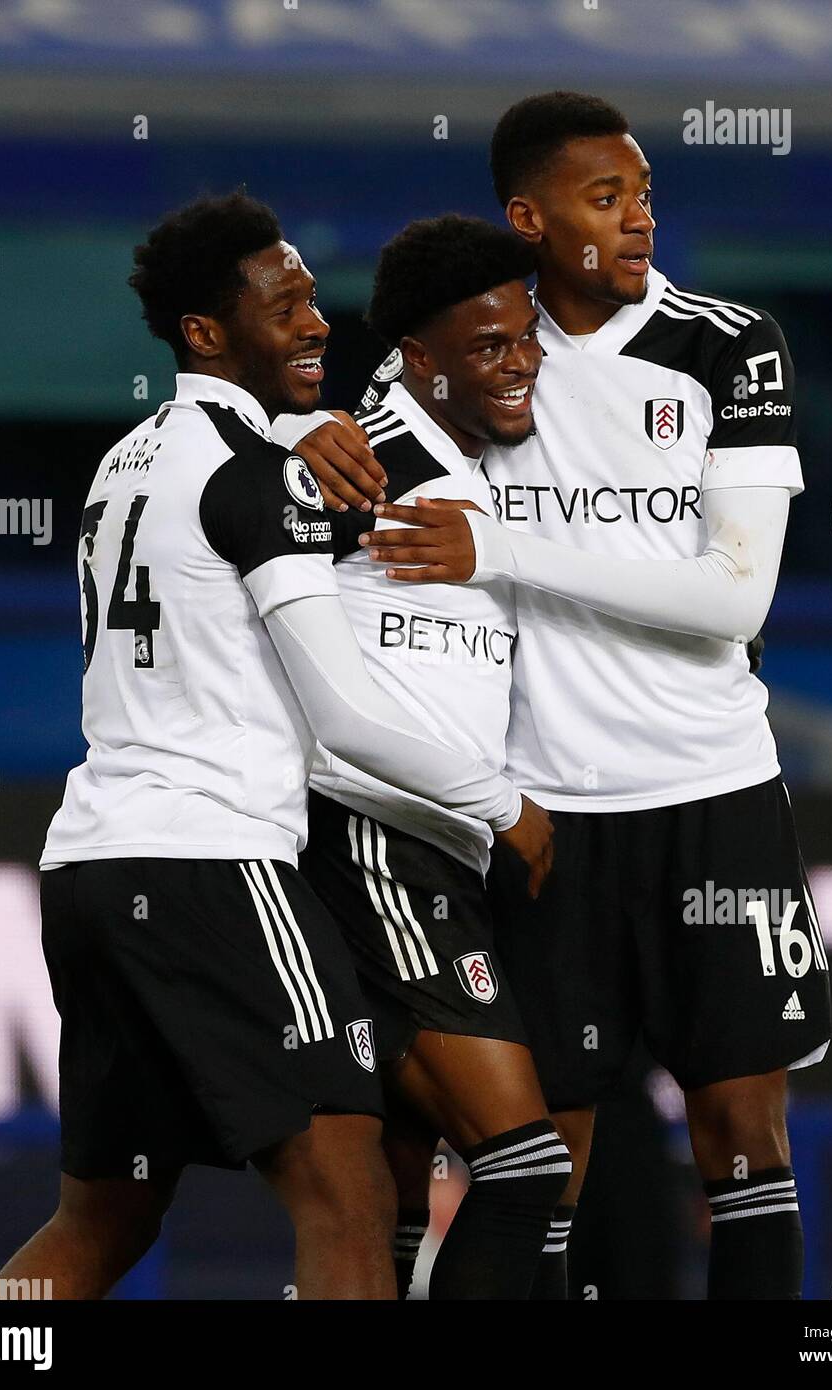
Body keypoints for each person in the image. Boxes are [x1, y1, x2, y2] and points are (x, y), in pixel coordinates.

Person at [0, 192, 550, 1301]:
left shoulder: (120, 465)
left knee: (99, 1219)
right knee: (345, 1189)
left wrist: (297, 430)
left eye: (310, 298)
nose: (315, 324)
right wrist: (503, 805)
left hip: (90, 863)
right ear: (207, 333)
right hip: (215, 861)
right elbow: (341, 715)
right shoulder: (263, 474)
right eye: (284, 304)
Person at [352, 92, 832, 1300]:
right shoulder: (480, 353)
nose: (639, 224)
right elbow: (339, 453)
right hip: (547, 818)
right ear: (530, 216)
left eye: (648, 197)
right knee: (541, 1170)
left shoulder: (729, 345)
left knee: (744, 1141)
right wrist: (303, 445)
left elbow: (733, 600)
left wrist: (500, 550)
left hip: (716, 795)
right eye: (605, 200)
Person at [299, 214, 570, 1300]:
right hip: (378, 843)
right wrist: (289, 440)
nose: (522, 366)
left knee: (405, 1183)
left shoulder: (478, 463)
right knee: (523, 1163)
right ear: (420, 358)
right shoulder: (360, 462)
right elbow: (226, 563)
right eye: (491, 346)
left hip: (434, 856)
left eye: (529, 340)